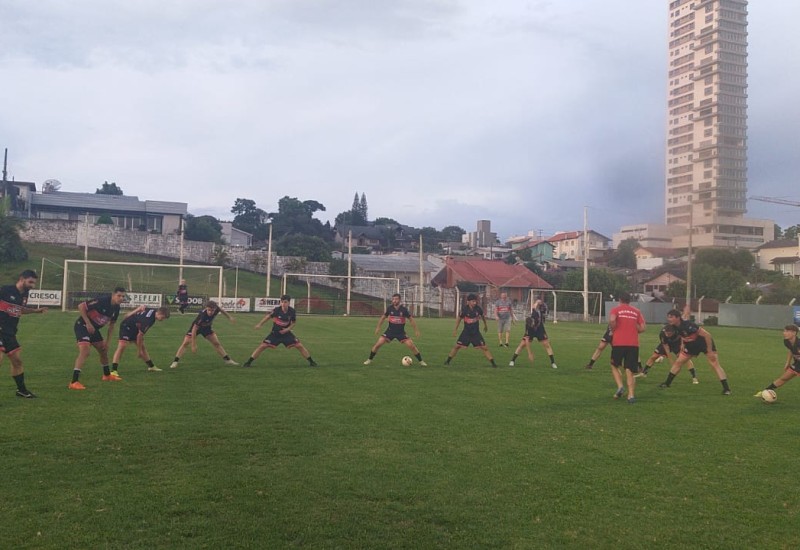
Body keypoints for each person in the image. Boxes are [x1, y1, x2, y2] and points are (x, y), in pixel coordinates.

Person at [658, 308, 731, 395]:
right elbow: (683, 335)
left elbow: (707, 335)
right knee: (678, 362)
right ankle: (667, 383)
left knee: (714, 364)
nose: (669, 319)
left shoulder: (688, 325)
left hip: (703, 344)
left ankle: (726, 389)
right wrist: (683, 344)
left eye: (671, 317)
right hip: (691, 346)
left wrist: (710, 350)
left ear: (678, 318)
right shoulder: (673, 327)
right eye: (668, 317)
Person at [68, 287, 127, 390]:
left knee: (103, 351)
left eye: (123, 296)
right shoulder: (103, 300)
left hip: (94, 329)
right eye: (119, 296)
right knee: (85, 351)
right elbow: (81, 306)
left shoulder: (117, 308)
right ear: (113, 295)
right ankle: (74, 382)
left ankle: (107, 375)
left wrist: (107, 342)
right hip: (82, 326)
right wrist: (88, 323)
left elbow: (112, 325)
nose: (121, 298)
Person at [0, 270, 45, 398]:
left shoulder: (25, 293)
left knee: (17, 362)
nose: (32, 285)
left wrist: (36, 311)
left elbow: (20, 309)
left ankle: (21, 390)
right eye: (30, 282)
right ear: (22, 279)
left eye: (34, 283)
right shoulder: (5, 290)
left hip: (10, 333)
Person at [242, 295, 318, 367]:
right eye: (282, 302)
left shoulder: (292, 311)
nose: (283, 304)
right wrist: (260, 324)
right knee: (262, 346)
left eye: (285, 302)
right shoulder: (276, 310)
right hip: (275, 334)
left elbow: (293, 323)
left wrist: (287, 329)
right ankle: (248, 362)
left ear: (289, 302)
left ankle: (311, 362)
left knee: (299, 345)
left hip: (286, 334)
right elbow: (268, 317)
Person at [169, 300, 238, 369]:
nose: (210, 312)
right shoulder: (202, 316)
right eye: (209, 310)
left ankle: (227, 360)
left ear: (215, 309)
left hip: (206, 328)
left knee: (216, 343)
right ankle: (175, 362)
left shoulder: (216, 308)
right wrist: (193, 344)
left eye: (212, 310)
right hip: (196, 329)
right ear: (206, 308)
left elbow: (222, 310)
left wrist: (229, 317)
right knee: (185, 343)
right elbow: (194, 329)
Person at [363, 293, 427, 366]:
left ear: (399, 300)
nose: (394, 301)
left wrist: (416, 330)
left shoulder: (404, 310)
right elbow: (383, 317)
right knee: (378, 344)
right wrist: (378, 327)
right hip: (390, 331)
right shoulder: (390, 308)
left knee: (411, 345)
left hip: (401, 333)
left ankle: (421, 361)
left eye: (396, 299)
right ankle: (369, 359)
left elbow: (411, 319)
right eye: (393, 299)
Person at [608, 292, 646, 403]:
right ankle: (631, 395)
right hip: (633, 344)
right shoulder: (637, 311)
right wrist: (634, 327)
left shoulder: (616, 310)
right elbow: (643, 328)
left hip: (618, 343)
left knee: (614, 364)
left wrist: (614, 327)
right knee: (629, 369)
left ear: (620, 300)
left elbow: (612, 320)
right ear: (630, 300)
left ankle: (620, 386)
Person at [111, 306, 170, 374]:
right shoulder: (148, 320)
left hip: (135, 327)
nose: (162, 320)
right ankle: (114, 370)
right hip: (127, 325)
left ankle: (151, 366)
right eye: (162, 318)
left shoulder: (153, 310)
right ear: (159, 313)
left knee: (142, 347)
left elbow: (142, 307)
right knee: (122, 346)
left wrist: (135, 311)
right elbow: (139, 336)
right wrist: (139, 351)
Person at [444, 294, 498, 368]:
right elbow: (459, 319)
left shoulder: (478, 309)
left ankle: (493, 364)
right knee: (456, 346)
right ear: (468, 302)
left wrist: (485, 325)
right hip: (466, 332)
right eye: (473, 301)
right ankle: (447, 361)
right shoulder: (465, 309)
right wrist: (455, 330)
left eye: (475, 301)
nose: (475, 303)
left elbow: (482, 316)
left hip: (476, 333)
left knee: (485, 347)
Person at [754, 324, 800, 398]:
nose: (784, 333)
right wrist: (788, 362)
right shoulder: (786, 341)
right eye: (784, 331)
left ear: (794, 333)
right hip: (797, 364)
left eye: (787, 331)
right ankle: (765, 392)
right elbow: (791, 350)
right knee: (784, 378)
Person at [509, 302, 558, 368]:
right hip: (532, 332)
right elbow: (527, 341)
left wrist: (537, 301)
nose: (532, 326)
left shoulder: (536, 314)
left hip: (540, 329)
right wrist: (530, 354)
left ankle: (553, 363)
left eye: (532, 324)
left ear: (533, 320)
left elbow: (534, 306)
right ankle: (512, 360)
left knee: (547, 345)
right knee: (522, 345)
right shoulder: (528, 327)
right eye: (531, 325)